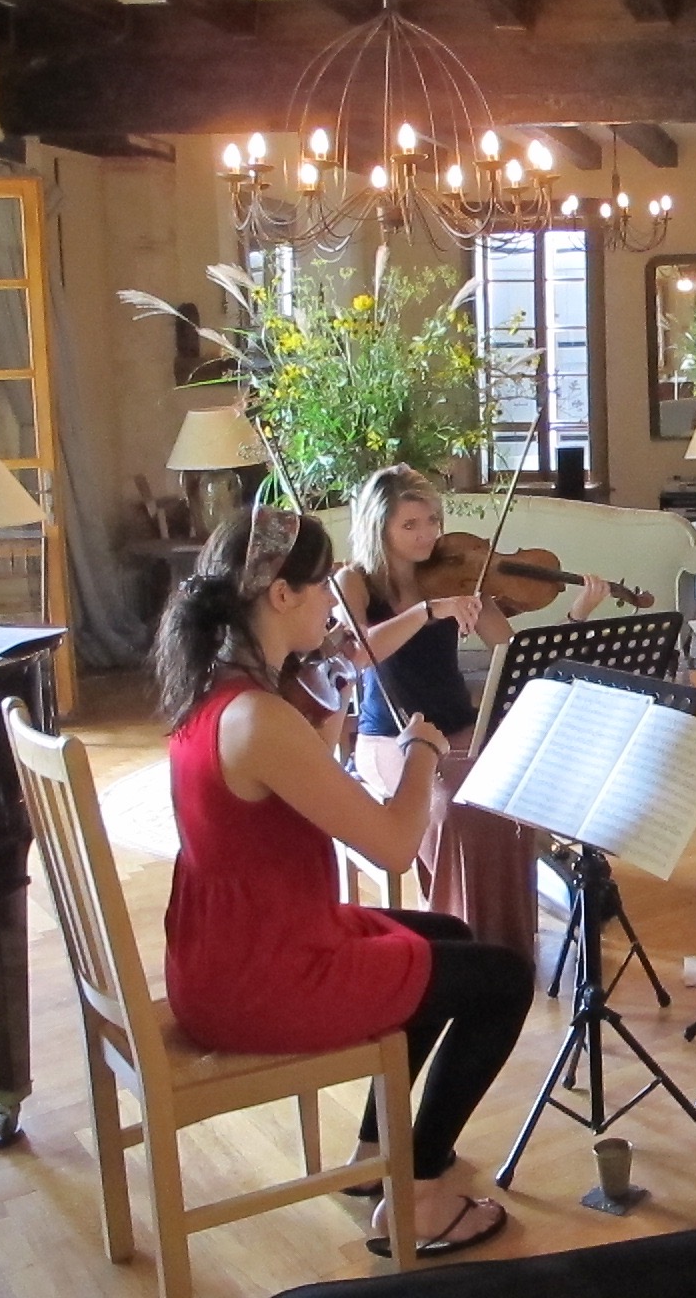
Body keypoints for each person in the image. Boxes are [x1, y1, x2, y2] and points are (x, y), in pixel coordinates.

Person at [153, 509, 535, 1258]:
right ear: (281, 597)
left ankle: (374, 1155)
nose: (337, 600)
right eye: (322, 584)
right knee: (505, 980)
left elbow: (302, 802)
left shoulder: (214, 688)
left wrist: (328, 728)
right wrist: (424, 750)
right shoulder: (258, 718)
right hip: (261, 975)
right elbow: (394, 848)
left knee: (449, 939)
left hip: (229, 945)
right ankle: (419, 1193)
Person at [335, 465, 609, 956]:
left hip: (461, 727)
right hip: (389, 737)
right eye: (410, 525)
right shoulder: (356, 582)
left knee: (507, 793)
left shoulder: (459, 576)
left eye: (432, 522)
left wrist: (578, 614)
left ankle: (506, 939)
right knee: (452, 804)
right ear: (380, 528)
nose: (427, 535)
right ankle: (456, 934)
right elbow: (355, 654)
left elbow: (516, 655)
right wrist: (425, 612)